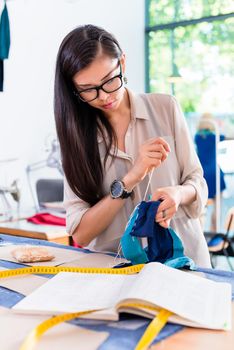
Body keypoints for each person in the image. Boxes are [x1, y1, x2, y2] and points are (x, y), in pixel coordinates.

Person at [54, 24, 211, 267]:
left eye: (109, 80)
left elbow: (197, 182)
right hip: (119, 276)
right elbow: (81, 234)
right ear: (74, 90)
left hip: (186, 265)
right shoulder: (76, 140)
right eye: (88, 90)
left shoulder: (166, 107)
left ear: (122, 63)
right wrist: (132, 177)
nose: (104, 96)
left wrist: (178, 193)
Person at [194, 113, 226, 231]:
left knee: (201, 204)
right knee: (218, 203)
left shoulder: (197, 137)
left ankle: (200, 230)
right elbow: (224, 135)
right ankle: (215, 228)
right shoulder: (215, 136)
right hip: (215, 173)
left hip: (202, 173)